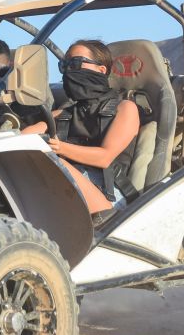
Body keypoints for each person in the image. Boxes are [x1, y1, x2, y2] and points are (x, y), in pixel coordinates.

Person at [23, 39, 139, 226]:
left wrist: (59, 148)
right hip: (72, 196)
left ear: (101, 70)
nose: (70, 70)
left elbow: (105, 157)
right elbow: (23, 137)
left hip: (110, 201)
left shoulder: (125, 108)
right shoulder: (65, 113)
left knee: (51, 161)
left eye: (76, 63)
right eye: (65, 65)